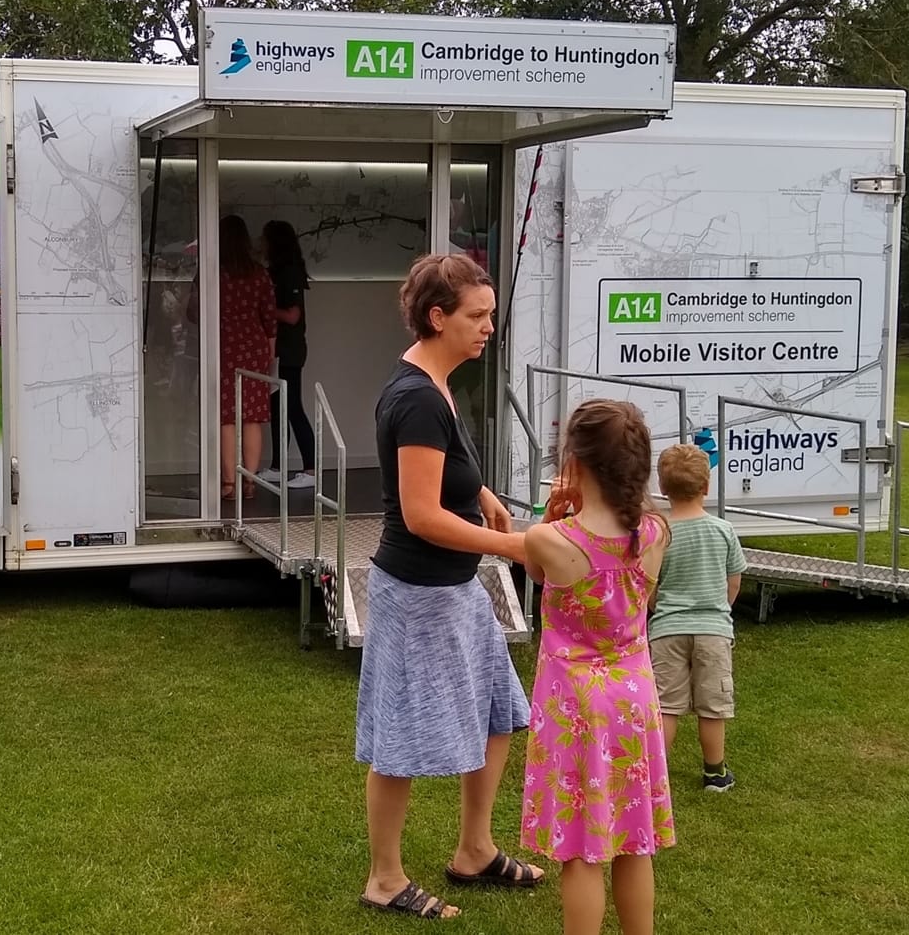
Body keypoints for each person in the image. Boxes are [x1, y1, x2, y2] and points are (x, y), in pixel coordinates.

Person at [356, 253, 543, 922]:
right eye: (477, 315)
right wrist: (515, 545)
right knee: (400, 740)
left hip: (456, 593)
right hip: (417, 595)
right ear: (438, 317)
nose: (489, 326)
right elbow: (421, 514)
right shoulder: (414, 398)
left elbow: (444, 477)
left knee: (501, 714)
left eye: (490, 313)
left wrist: (485, 493)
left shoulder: (434, 383)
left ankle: (474, 848)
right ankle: (384, 877)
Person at [518, 400, 676, 935]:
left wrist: (552, 513)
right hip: (634, 695)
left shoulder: (552, 538)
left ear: (576, 463)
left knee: (581, 849)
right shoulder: (655, 532)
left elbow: (537, 572)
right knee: (636, 840)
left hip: (573, 706)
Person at [649, 443, 745, 792]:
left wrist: (657, 610)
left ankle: (653, 777)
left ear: (663, 488)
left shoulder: (659, 533)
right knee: (712, 706)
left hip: (666, 631)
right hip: (713, 631)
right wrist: (722, 610)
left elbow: (649, 584)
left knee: (666, 705)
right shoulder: (723, 530)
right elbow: (733, 582)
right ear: (706, 487)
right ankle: (715, 773)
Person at [214, 214, 275, 500]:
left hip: (223, 346)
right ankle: (249, 482)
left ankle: (229, 484)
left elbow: (194, 311)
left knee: (227, 417)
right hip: (254, 347)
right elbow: (269, 317)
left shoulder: (214, 273)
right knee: (252, 417)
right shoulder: (259, 273)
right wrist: (269, 353)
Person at [257, 219, 316, 490]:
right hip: (279, 350)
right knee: (278, 407)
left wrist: (265, 312)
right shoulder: (276, 271)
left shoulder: (289, 272)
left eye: (266, 239)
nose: (262, 244)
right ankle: (278, 466)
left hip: (289, 350)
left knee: (292, 406)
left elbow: (293, 315)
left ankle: (311, 468)